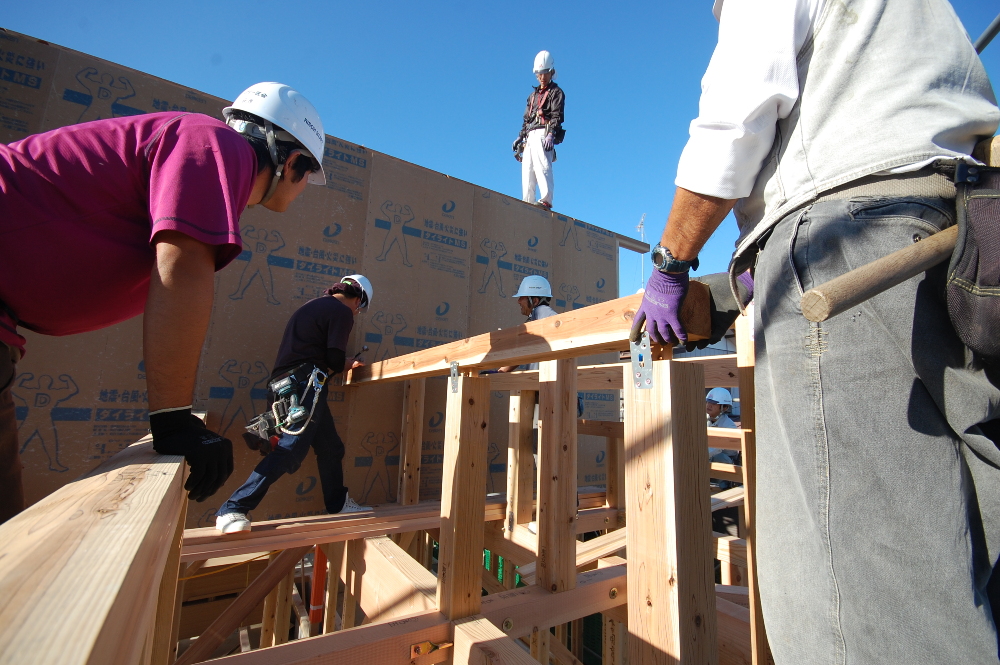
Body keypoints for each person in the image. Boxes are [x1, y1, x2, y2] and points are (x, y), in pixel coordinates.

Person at [630, 1, 1000, 661]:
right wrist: (737, 288)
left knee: (857, 605)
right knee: (967, 558)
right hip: (963, 237)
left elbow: (737, 116)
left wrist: (670, 263)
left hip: (849, 247)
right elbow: (876, 157)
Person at [0, 81, 328, 523]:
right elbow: (184, 265)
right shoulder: (216, 144)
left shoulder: (207, 155)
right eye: (308, 175)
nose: (305, 187)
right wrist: (173, 420)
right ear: (291, 162)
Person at [216, 275, 374, 534]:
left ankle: (337, 503)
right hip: (304, 386)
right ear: (358, 299)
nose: (357, 312)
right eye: (359, 307)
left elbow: (310, 351)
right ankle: (233, 508)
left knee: (330, 447)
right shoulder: (342, 312)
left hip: (288, 385)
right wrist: (348, 363)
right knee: (290, 449)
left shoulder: (312, 306)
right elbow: (333, 359)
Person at [513, 51, 565, 210]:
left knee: (543, 166)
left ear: (551, 72)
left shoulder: (556, 92)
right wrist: (520, 137)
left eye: (545, 73)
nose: (542, 77)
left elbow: (557, 115)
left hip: (544, 131)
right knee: (528, 170)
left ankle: (546, 200)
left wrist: (551, 133)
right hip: (530, 134)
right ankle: (527, 202)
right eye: (539, 74)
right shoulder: (532, 96)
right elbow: (526, 119)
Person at [498, 275, 559, 373]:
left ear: (534, 301)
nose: (518, 301)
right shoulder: (537, 319)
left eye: (522, 297)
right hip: (539, 383)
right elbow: (521, 351)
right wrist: (500, 372)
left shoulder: (541, 311)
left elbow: (557, 323)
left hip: (545, 384)